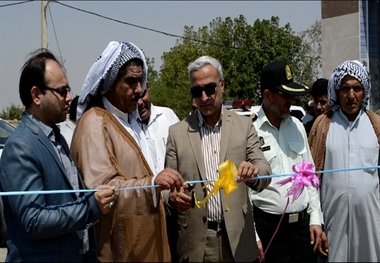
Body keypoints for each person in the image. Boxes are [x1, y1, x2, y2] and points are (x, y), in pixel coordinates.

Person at [70, 41, 185, 262]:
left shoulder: (132, 120)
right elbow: (104, 190)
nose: (139, 90)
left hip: (147, 242)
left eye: (140, 81)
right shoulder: (95, 123)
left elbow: (149, 177)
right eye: (130, 82)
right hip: (118, 249)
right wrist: (152, 185)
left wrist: (169, 195)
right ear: (110, 83)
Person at [0, 49, 115, 262]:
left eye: (68, 90)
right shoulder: (20, 147)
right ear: (36, 95)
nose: (69, 97)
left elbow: (69, 198)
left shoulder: (56, 137)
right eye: (61, 91)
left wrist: (92, 197)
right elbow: (33, 220)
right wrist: (91, 206)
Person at [164, 55, 272, 262]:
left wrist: (253, 174)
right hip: (196, 243)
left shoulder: (244, 126)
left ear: (222, 85)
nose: (204, 97)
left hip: (237, 238)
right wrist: (172, 198)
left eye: (210, 89)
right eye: (197, 91)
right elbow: (167, 188)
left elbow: (265, 170)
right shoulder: (177, 133)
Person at [249, 61, 323, 262]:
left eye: (292, 95)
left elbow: (309, 177)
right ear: (267, 95)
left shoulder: (297, 126)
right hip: (269, 231)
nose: (291, 100)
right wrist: (253, 236)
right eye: (285, 94)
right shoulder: (250, 131)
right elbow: (244, 193)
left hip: (302, 231)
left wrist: (316, 218)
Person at [308, 60, 380, 262]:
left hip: (371, 226)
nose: (351, 95)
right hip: (332, 224)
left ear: (364, 91)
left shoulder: (376, 125)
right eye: (345, 88)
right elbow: (311, 180)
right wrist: (317, 222)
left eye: (357, 88)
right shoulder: (323, 125)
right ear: (337, 91)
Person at [137, 82, 179, 171]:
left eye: (142, 95)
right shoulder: (127, 127)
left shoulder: (168, 115)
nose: (139, 102)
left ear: (148, 87)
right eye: (135, 97)